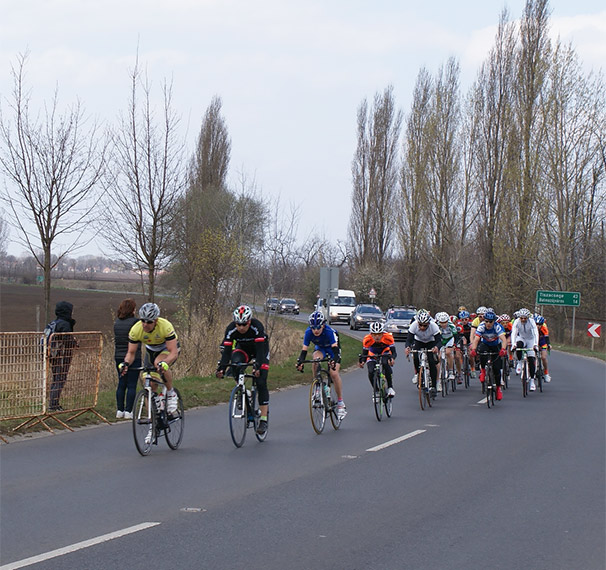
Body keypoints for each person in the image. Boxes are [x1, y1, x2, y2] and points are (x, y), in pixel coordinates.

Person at [216, 305, 271, 435]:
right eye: (238, 324)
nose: (241, 327)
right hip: (243, 349)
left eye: (244, 324)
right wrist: (222, 369)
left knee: (261, 381)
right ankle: (242, 390)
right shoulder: (230, 329)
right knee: (235, 364)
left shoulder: (257, 327)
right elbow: (227, 353)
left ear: (249, 321)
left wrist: (257, 366)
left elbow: (259, 351)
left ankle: (263, 419)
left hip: (260, 350)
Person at [119, 303, 180, 414]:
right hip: (151, 351)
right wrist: (126, 363)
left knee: (158, 363)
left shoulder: (165, 326)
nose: (145, 324)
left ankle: (171, 393)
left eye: (149, 322)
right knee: (149, 383)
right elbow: (131, 353)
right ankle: (154, 420)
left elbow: (173, 352)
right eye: (143, 320)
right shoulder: (136, 330)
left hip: (167, 348)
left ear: (156, 321)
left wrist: (165, 363)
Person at [296, 311, 347, 419]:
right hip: (320, 349)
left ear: (323, 325)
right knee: (315, 360)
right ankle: (317, 385)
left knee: (333, 373)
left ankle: (340, 403)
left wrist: (334, 360)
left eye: (318, 327)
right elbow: (304, 350)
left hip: (333, 349)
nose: (315, 330)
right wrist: (300, 362)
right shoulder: (308, 332)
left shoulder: (329, 332)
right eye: (313, 327)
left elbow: (336, 350)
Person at [469, 310, 508, 400]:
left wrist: (503, 349)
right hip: (485, 344)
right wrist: (474, 349)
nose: (488, 324)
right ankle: (483, 370)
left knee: (496, 369)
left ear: (494, 321)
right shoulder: (481, 326)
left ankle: (498, 388)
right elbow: (476, 339)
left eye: (490, 322)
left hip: (496, 345)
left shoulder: (497, 327)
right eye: (486, 321)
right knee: (482, 354)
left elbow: (504, 340)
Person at [113, 299, 141, 420]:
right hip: (133, 356)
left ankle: (120, 410)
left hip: (119, 356)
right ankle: (129, 411)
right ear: (132, 310)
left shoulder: (117, 322)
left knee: (121, 383)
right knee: (131, 384)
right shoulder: (136, 323)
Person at [47, 301, 77, 412]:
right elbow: (67, 340)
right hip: (61, 355)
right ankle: (53, 405)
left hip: (52, 355)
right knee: (60, 379)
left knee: (56, 378)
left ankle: (53, 403)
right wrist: (74, 343)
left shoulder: (54, 322)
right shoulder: (65, 324)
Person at [405, 309, 441, 394]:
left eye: (425, 326)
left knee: (432, 362)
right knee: (415, 356)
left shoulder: (434, 326)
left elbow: (439, 341)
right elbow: (409, 340)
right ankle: (418, 373)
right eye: (420, 325)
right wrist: (407, 347)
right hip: (419, 341)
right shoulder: (413, 326)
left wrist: (436, 347)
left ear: (428, 323)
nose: (422, 327)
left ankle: (433, 386)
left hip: (431, 342)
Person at [359, 321, 397, 397]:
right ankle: (376, 391)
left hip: (385, 350)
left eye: (379, 334)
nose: (377, 337)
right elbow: (364, 353)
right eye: (374, 335)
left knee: (385, 362)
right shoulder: (367, 339)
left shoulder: (388, 337)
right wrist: (362, 361)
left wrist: (392, 358)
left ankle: (390, 387)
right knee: (370, 371)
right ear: (371, 334)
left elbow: (394, 352)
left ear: (382, 333)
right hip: (372, 352)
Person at [511, 308, 539, 391]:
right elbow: (514, 333)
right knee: (518, 345)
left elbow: (535, 333)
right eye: (521, 318)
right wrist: (513, 344)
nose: (523, 320)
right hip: (521, 338)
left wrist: (535, 344)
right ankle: (519, 362)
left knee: (531, 359)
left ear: (527, 318)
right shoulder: (516, 322)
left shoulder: (531, 322)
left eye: (525, 318)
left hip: (531, 339)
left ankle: (532, 381)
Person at [435, 311, 459, 385]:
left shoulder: (451, 325)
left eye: (445, 322)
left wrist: (455, 344)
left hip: (449, 339)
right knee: (438, 356)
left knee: (448, 352)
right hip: (441, 340)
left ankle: (451, 371)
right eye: (441, 323)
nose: (443, 324)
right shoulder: (436, 326)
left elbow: (456, 336)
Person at [534, 314, 552, 383]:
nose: (537, 326)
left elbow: (547, 338)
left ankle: (546, 373)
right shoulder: (532, 328)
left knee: (543, 357)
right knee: (533, 356)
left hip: (542, 341)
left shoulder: (544, 328)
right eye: (536, 324)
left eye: (539, 324)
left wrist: (549, 345)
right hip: (534, 341)